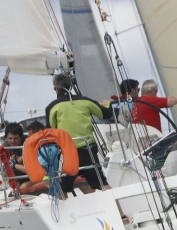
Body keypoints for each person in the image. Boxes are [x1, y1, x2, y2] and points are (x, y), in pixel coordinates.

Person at [45, 73, 126, 220]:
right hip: (88, 150)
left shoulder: (52, 107)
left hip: (67, 153)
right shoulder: (86, 101)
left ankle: (60, 221)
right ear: (71, 85)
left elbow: (50, 133)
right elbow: (107, 114)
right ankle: (121, 216)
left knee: (61, 188)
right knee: (102, 183)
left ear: (56, 89)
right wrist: (106, 103)